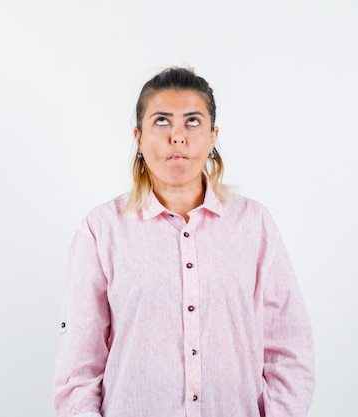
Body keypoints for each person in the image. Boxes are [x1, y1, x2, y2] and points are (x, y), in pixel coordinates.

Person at [53, 66, 315, 417]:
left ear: (212, 137)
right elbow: (78, 369)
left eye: (193, 122)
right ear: (139, 137)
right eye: (161, 121)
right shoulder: (101, 229)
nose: (178, 137)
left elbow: (289, 348)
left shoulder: (254, 225)